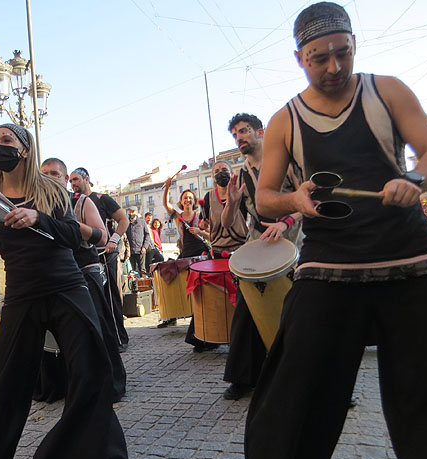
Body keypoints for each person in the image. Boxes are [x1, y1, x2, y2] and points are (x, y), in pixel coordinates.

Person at [244, 3, 427, 459]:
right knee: (296, 390)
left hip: (411, 257)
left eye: (343, 53)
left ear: (354, 44)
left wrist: (414, 179)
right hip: (328, 264)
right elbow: (265, 197)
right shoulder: (285, 120)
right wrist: (294, 200)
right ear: (300, 58)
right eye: (320, 58)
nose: (334, 66)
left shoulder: (387, 91)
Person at [0, 124, 130, 459]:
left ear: (25, 149)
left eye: (6, 140)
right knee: (7, 380)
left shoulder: (51, 191)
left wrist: (38, 218)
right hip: (22, 295)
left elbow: (74, 236)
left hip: (66, 287)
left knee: (90, 372)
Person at [220, 113, 303, 401]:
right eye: (235, 134)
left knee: (309, 312)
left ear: (261, 131)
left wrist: (286, 222)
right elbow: (229, 222)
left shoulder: (286, 161)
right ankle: (244, 378)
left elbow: (309, 200)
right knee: (247, 308)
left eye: (244, 131)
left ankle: (325, 380)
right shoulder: (241, 175)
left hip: (296, 241)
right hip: (261, 245)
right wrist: (231, 204)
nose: (239, 138)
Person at [36, 157, 126, 403]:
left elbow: (101, 236)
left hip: (84, 272)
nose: (49, 178)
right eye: (44, 173)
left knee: (95, 329)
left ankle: (105, 384)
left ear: (65, 179)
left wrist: (70, 226)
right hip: (52, 277)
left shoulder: (81, 201)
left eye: (55, 174)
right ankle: (62, 385)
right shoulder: (36, 205)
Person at [70, 167, 131, 351]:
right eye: (71, 181)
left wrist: (113, 240)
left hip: (106, 254)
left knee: (111, 298)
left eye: (76, 179)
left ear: (86, 179)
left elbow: (124, 220)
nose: (73, 184)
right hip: (85, 257)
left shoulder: (102, 198)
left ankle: (119, 339)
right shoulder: (72, 201)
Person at [160, 179, 213, 342]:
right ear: (181, 202)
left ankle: (200, 315)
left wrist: (200, 231)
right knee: (172, 275)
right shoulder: (178, 217)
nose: (187, 200)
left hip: (201, 253)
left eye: (190, 197)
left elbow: (212, 236)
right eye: (185, 198)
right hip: (186, 253)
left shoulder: (200, 217)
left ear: (194, 200)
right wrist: (167, 187)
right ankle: (175, 314)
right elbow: (165, 204)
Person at [125, 207, 151, 277]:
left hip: (140, 250)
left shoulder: (142, 222)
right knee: (131, 270)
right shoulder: (126, 222)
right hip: (130, 251)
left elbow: (147, 235)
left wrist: (144, 247)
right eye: (130, 211)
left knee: (142, 269)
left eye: (133, 211)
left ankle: (143, 283)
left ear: (136, 212)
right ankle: (133, 283)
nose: (131, 213)